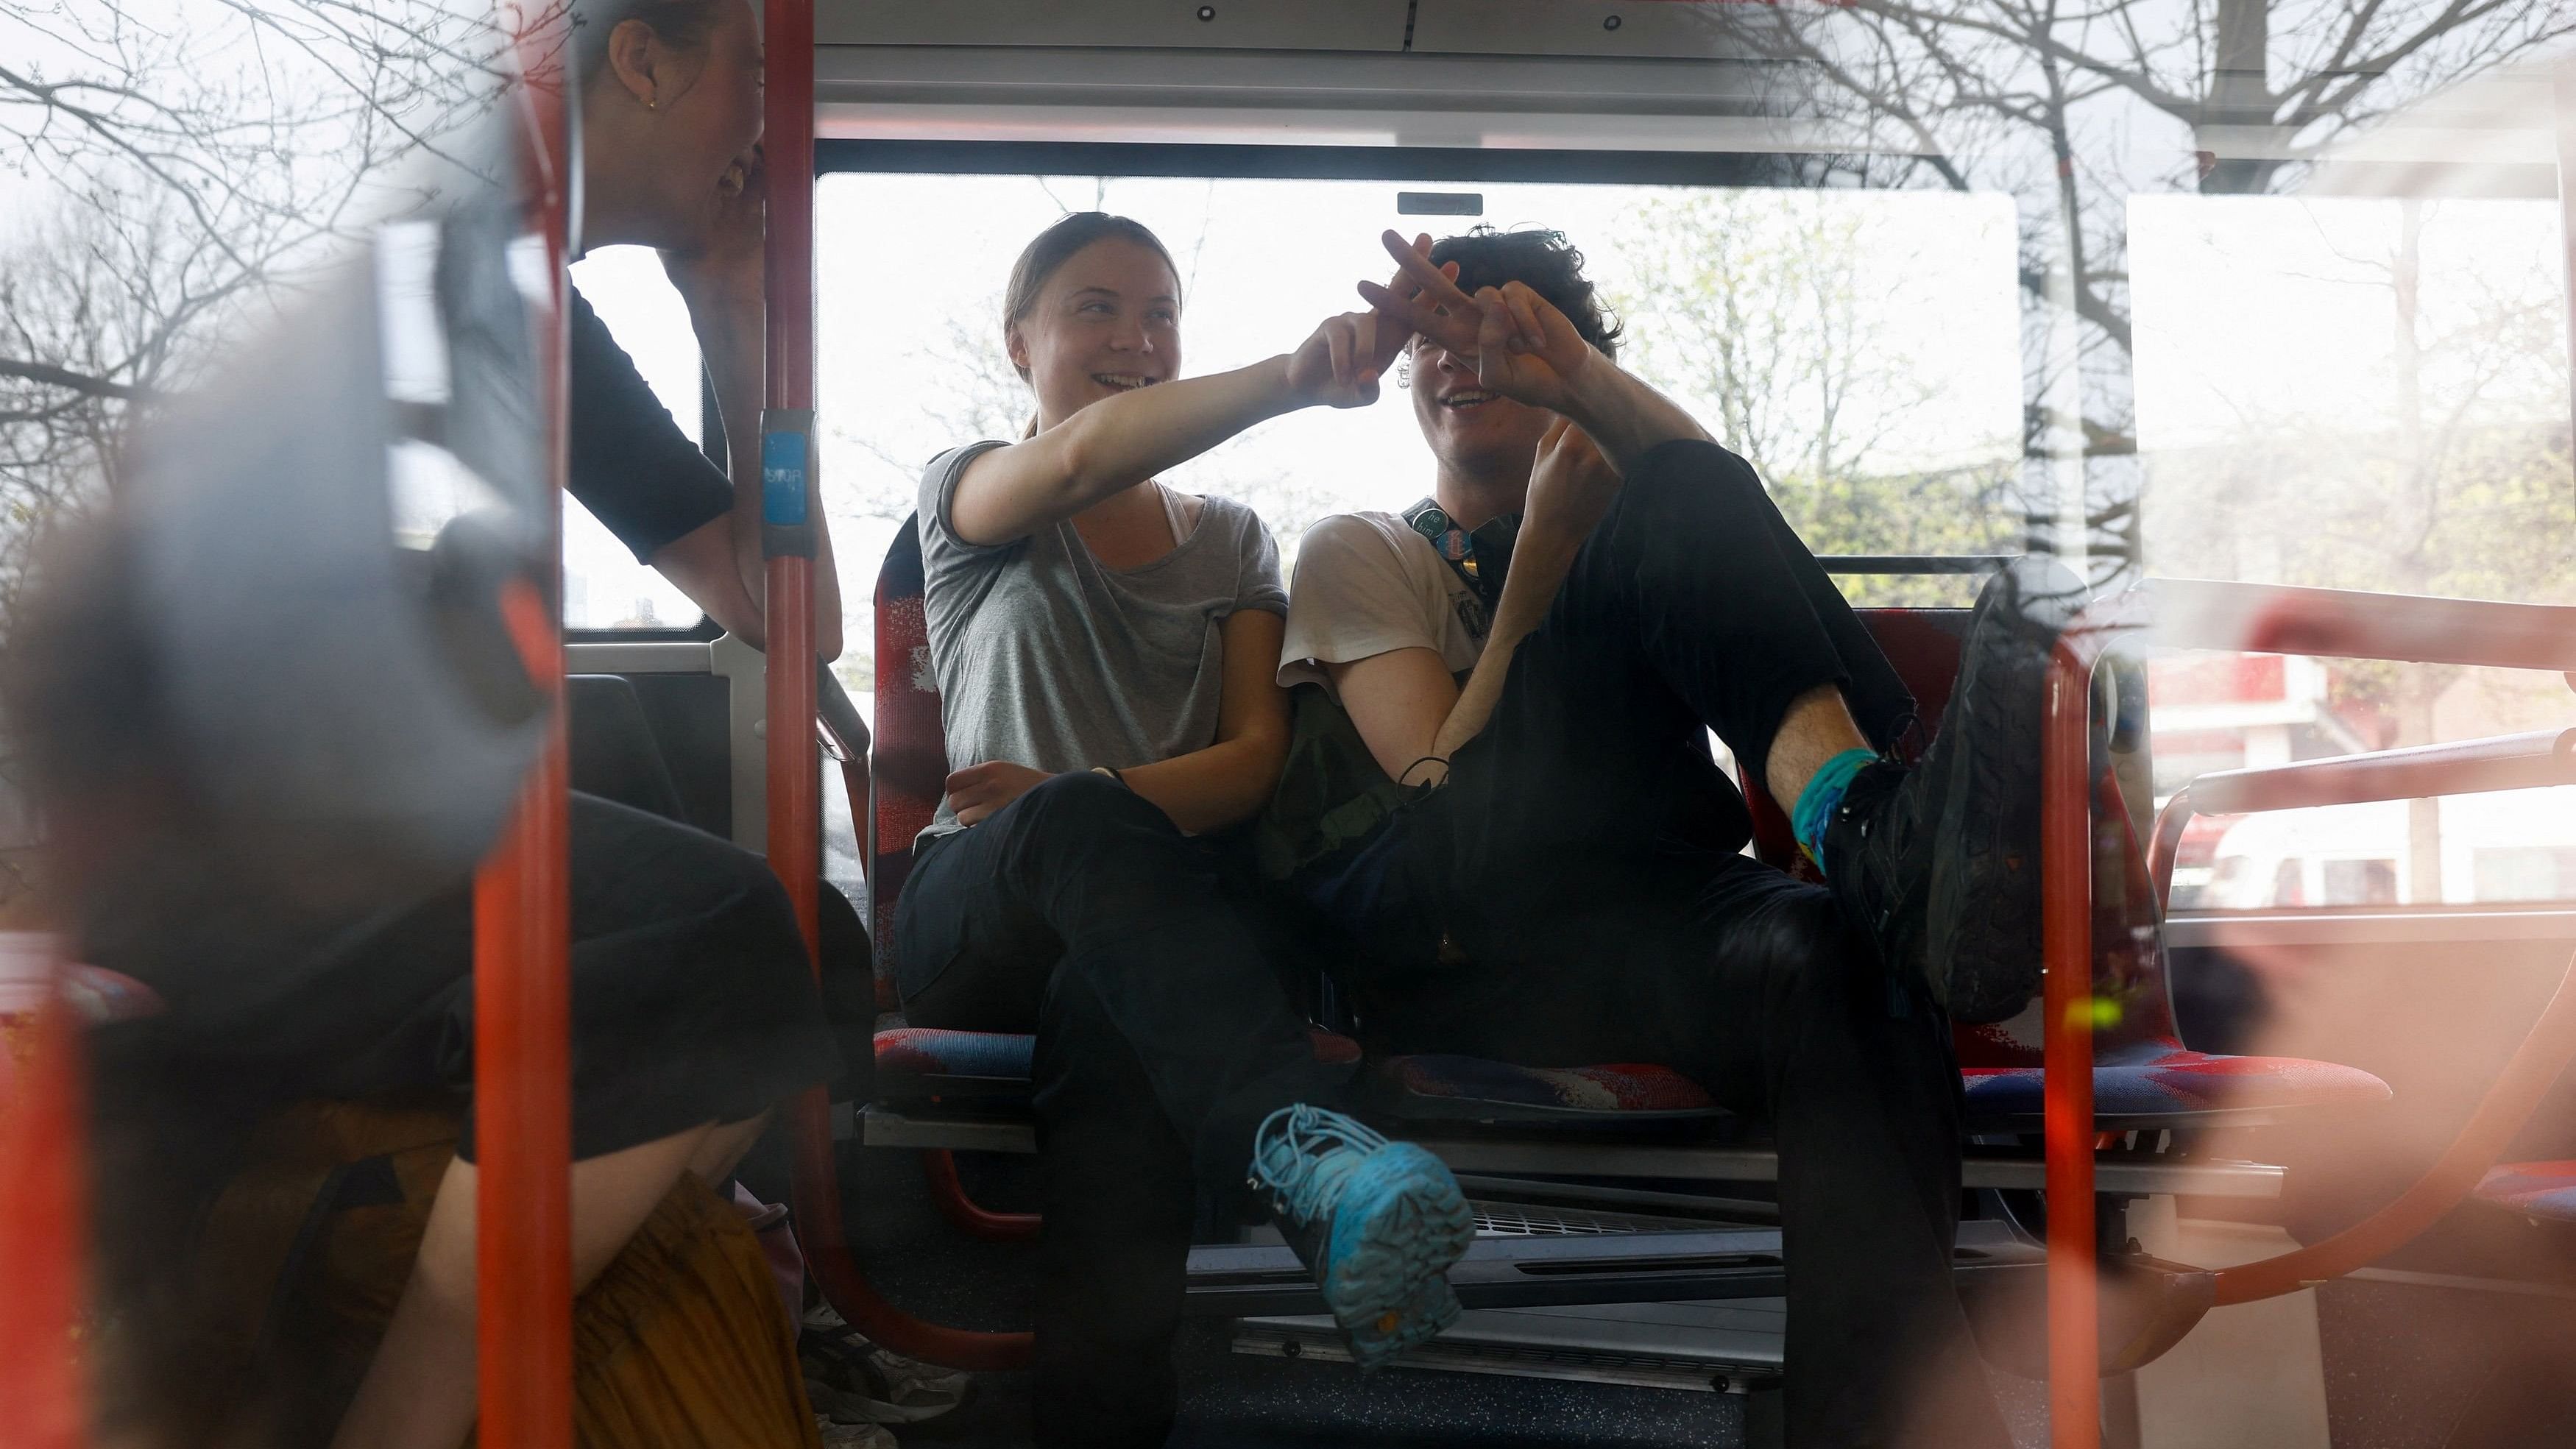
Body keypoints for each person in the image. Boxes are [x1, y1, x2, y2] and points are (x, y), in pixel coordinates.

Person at [32, 3, 857, 1446]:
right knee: (721, 930)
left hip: (321, 833)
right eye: (756, 77)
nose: (763, 134)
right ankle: (405, 1421)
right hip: (207, 852)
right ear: (647, 60)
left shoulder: (541, 310)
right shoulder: (423, 248)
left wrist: (733, 314)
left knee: (803, 946)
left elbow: (782, 610)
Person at [1275, 227, 2080, 1448]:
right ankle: (1867, 821)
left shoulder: (1646, 525)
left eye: (1504, 335)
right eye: (1440, 338)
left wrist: (1583, 394)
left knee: (1847, 948)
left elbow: (1698, 482)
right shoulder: (1364, 550)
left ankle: (1881, 1424)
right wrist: (1545, 558)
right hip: (1468, 930)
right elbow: (1436, 784)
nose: (1465, 356)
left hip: (1658, 907)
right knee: (1682, 496)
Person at [894, 210, 1475, 1448]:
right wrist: (1292, 379)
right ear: (1019, 342)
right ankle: (1296, 1148)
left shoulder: (1230, 541)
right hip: (975, 906)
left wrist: (1079, 790)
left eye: (1159, 312)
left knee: (1109, 1006)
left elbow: (1252, 767)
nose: (1135, 336)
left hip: (1139, 929)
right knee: (1075, 831)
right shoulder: (971, 494)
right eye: (1095, 307)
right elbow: (1071, 463)